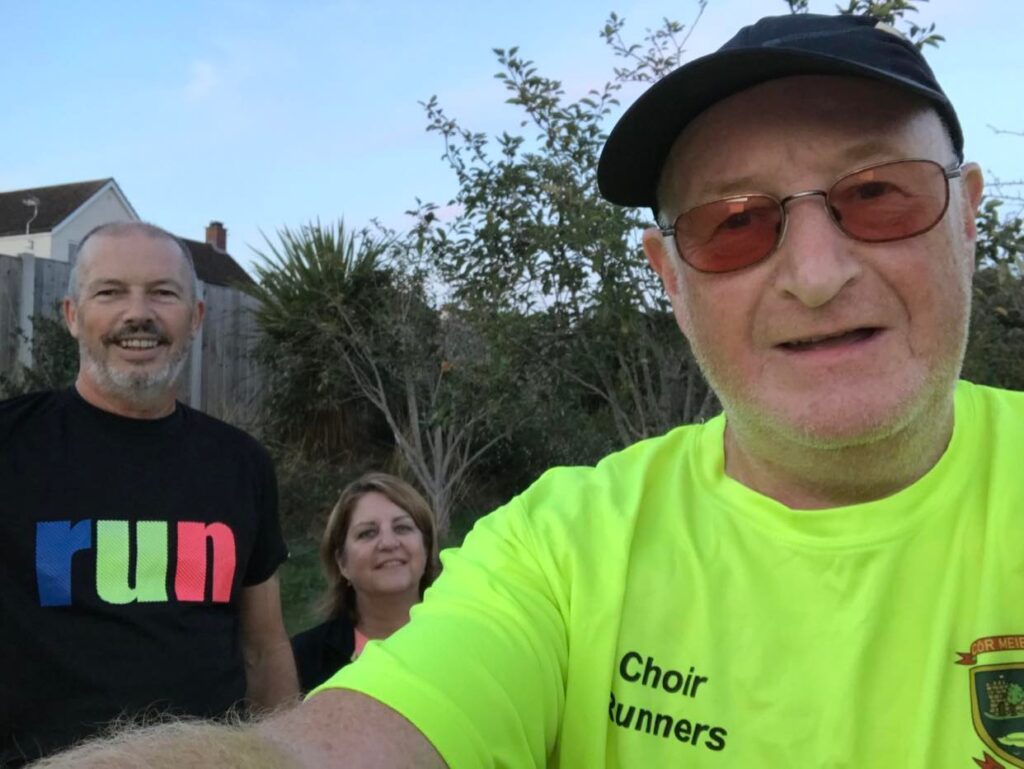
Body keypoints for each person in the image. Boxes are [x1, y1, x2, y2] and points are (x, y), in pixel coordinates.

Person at [28, 12, 1024, 769]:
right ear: (670, 280)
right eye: (733, 223)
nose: (814, 272)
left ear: (967, 215)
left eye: (877, 195)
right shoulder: (561, 549)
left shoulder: (233, 462)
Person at [0, 221, 298, 766]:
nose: (138, 314)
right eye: (110, 292)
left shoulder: (241, 464)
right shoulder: (11, 445)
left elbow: (264, 647)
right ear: (72, 314)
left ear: (196, 317)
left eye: (162, 293)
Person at [290, 473, 440, 692]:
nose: (388, 543)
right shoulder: (302, 658)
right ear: (342, 563)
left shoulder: (464, 640)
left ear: (426, 548)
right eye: (368, 533)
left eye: (402, 528)